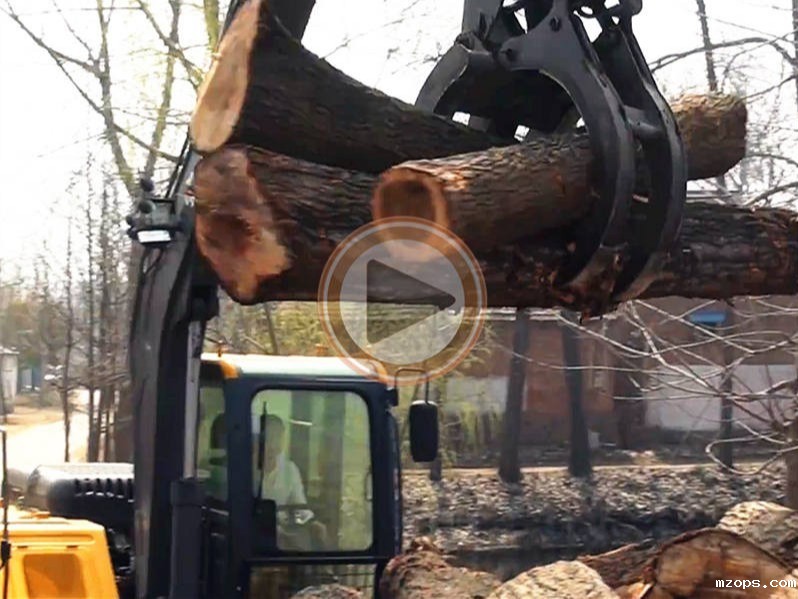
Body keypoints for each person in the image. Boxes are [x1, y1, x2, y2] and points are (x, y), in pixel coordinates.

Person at [254, 414, 307, 506]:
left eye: (278, 437)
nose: (273, 444)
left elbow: (300, 507)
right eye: (268, 438)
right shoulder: (243, 470)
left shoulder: (290, 470)